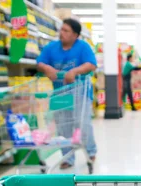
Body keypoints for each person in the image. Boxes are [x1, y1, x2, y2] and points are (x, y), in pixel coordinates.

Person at [37, 18, 97, 169]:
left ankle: (90, 150)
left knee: (82, 123)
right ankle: (67, 158)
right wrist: (46, 68)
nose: (61, 33)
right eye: (61, 29)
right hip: (59, 93)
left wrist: (75, 71)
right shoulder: (51, 47)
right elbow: (40, 62)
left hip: (80, 93)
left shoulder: (83, 47)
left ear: (75, 35)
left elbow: (91, 64)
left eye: (66, 31)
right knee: (63, 126)